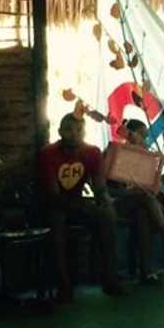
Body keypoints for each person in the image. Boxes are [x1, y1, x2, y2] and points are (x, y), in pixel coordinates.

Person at [38, 112, 125, 304]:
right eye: (69, 130)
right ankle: (64, 284)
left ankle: (109, 276)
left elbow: (99, 186)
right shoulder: (48, 154)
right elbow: (53, 194)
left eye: (79, 130)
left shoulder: (92, 152)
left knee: (107, 216)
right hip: (51, 206)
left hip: (77, 205)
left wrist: (104, 201)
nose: (74, 134)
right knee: (57, 221)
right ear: (60, 132)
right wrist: (80, 205)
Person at [107, 118, 164, 283]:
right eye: (141, 135)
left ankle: (146, 272)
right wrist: (129, 193)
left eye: (146, 136)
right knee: (145, 199)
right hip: (119, 204)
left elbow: (154, 190)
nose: (144, 139)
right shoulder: (115, 152)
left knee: (143, 214)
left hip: (140, 206)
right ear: (129, 134)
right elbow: (106, 189)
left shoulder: (147, 158)